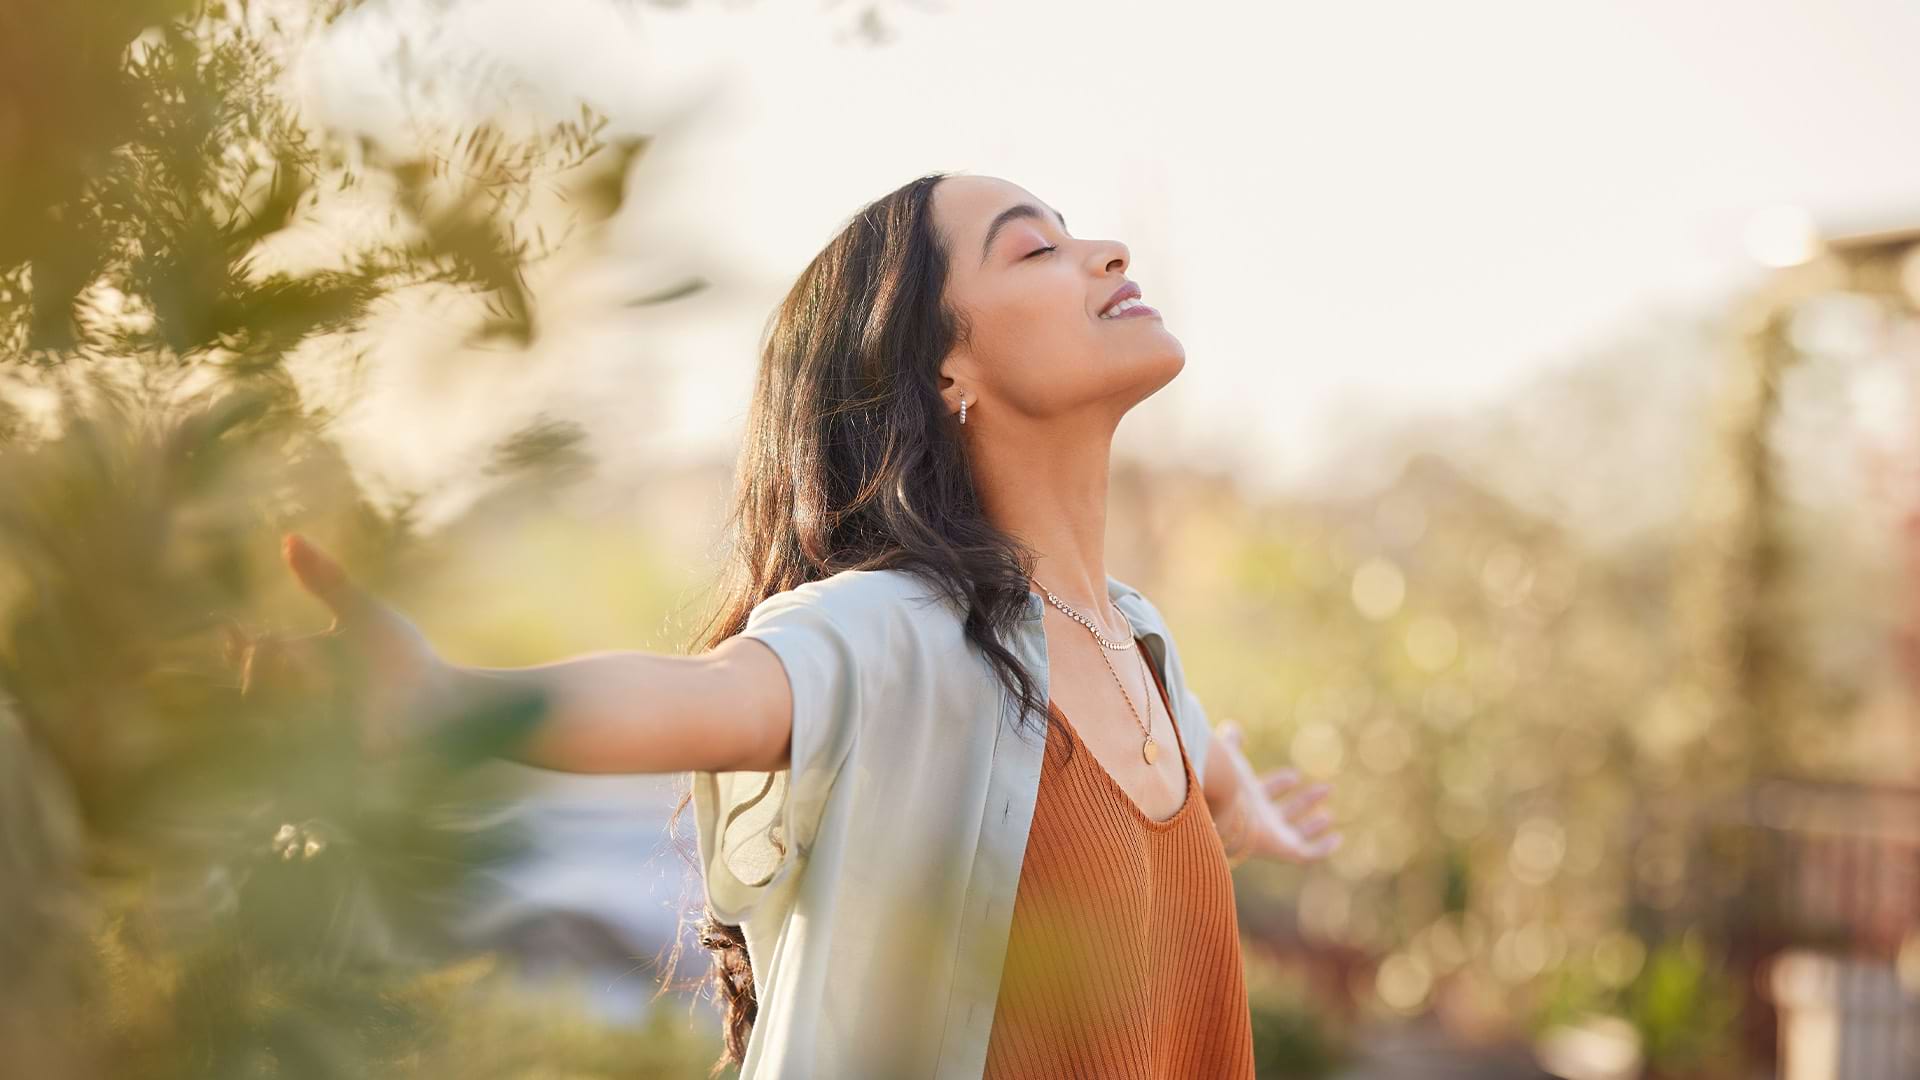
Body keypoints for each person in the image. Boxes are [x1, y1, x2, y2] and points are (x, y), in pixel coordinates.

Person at [271, 171, 1342, 1079]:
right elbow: (710, 699)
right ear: (943, 370)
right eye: (1035, 252)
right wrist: (448, 703)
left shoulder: (1139, 647)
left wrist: (1235, 799)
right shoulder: (901, 633)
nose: (1106, 253)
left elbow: (1185, 758)